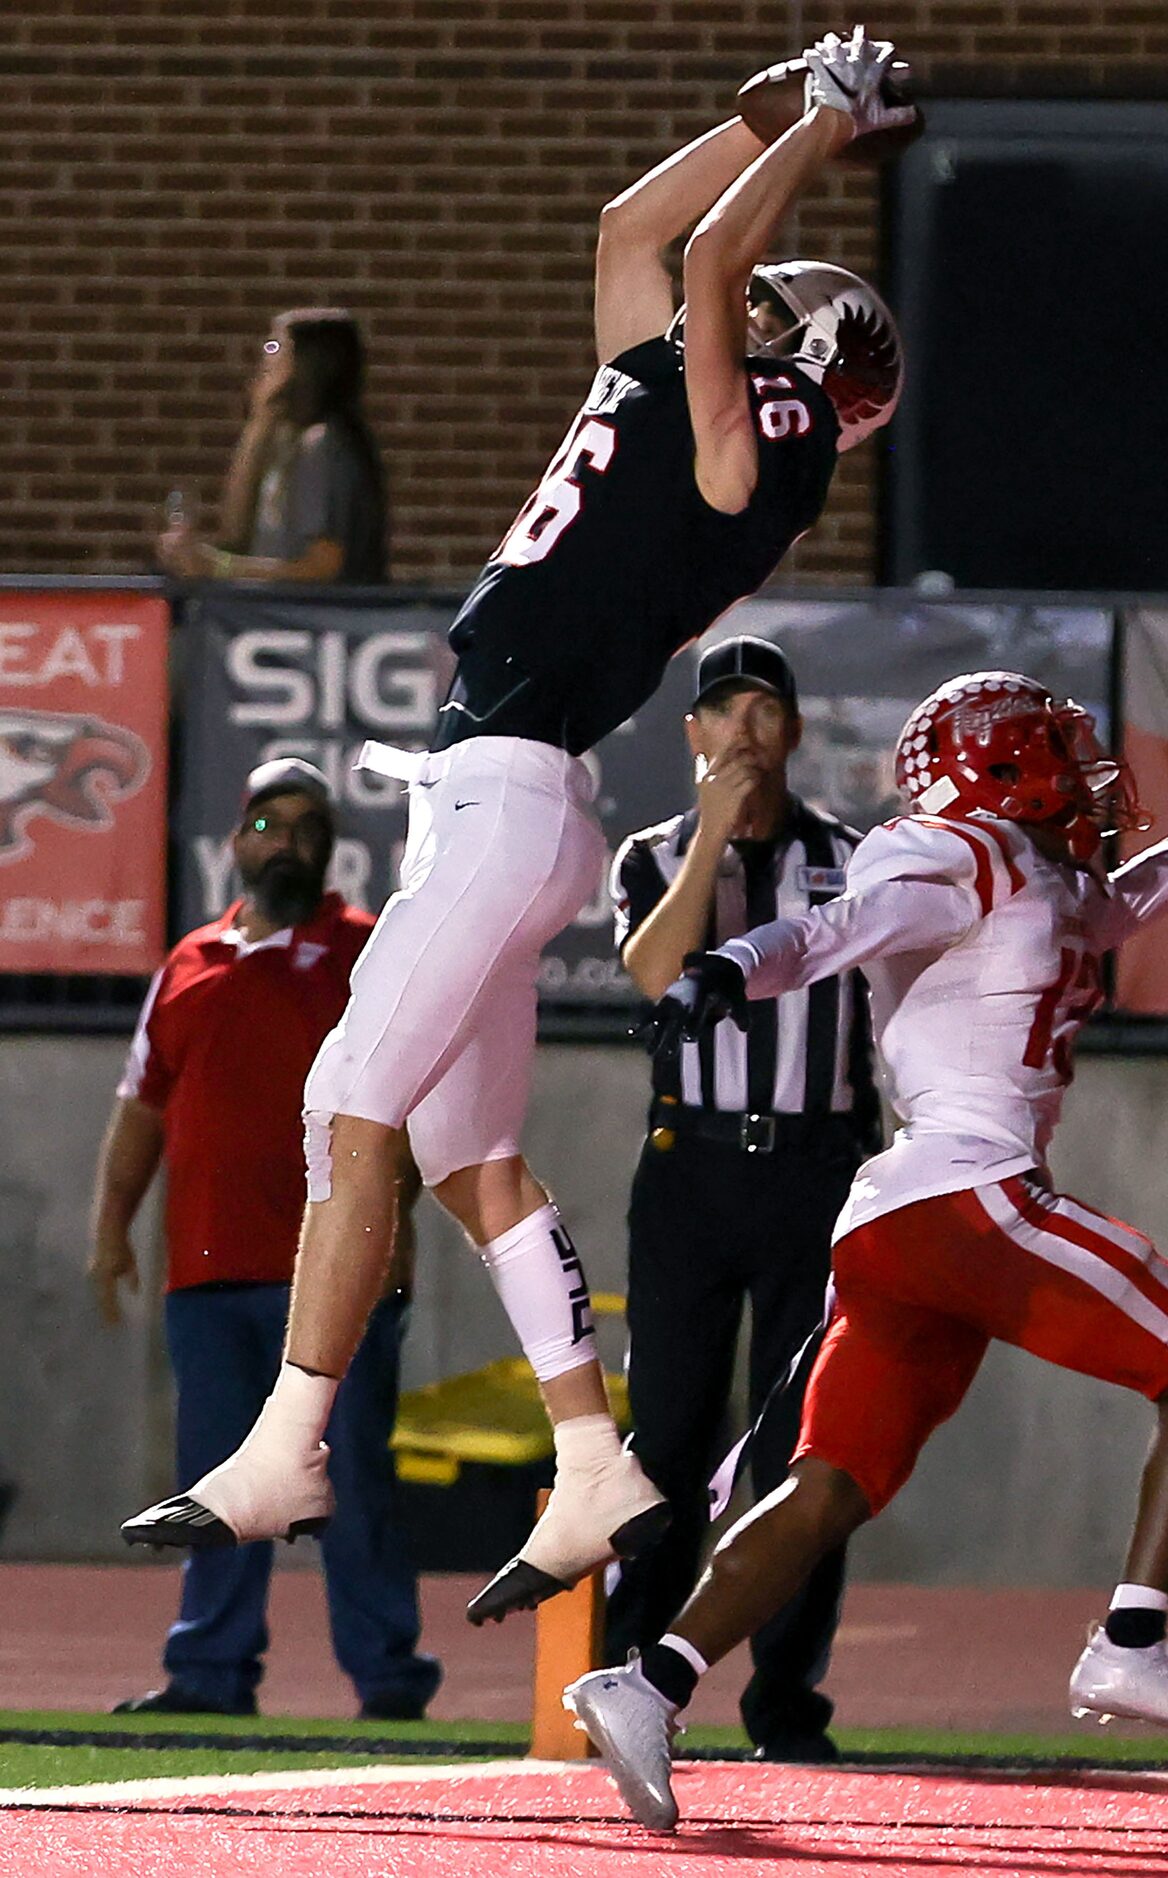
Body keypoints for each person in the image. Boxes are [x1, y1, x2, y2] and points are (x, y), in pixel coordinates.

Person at [121, 30, 914, 1632]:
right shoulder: (689, 385)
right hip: (491, 793)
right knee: (467, 1156)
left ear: (804, 364)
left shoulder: (753, 457)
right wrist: (761, 113)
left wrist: (811, 143)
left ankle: (285, 1445)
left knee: (351, 1092)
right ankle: (594, 1459)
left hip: (504, 795)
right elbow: (644, 234)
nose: (746, 316)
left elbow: (708, 263)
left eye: (773, 322)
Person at [563, 640, 1168, 1831]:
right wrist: (730, 966)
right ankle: (1129, 1638)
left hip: (903, 1222)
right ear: (1002, 771)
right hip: (964, 1194)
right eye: (1057, 758)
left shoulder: (1047, 878)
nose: (1084, 780)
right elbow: (838, 927)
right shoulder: (958, 854)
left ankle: (649, 1683)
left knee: (827, 1487)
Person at [91, 759, 439, 1720]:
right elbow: (140, 1107)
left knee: (354, 1477)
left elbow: (407, 1096)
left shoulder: (367, 950)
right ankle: (209, 1674)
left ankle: (387, 1682)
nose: (286, 840)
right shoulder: (187, 961)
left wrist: (396, 1221)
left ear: (329, 847)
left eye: (306, 825)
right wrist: (110, 1229)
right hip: (203, 1274)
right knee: (213, 1483)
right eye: (268, 823)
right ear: (237, 839)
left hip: (331, 1276)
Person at [606, 634, 878, 1762]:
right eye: (725, 712)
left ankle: (784, 1702)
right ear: (692, 735)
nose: (746, 732)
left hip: (819, 1170)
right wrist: (712, 840)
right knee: (665, 1439)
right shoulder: (654, 853)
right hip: (691, 1168)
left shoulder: (860, 858)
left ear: (796, 733)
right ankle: (624, 1677)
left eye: (767, 711)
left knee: (805, 1448)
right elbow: (656, 970)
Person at [155, 308, 388, 583]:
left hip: (305, 619)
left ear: (310, 361)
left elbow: (323, 566)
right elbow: (235, 532)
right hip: (271, 615)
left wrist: (221, 567)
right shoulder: (287, 439)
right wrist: (259, 420)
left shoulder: (322, 444)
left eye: (275, 346)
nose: (266, 356)